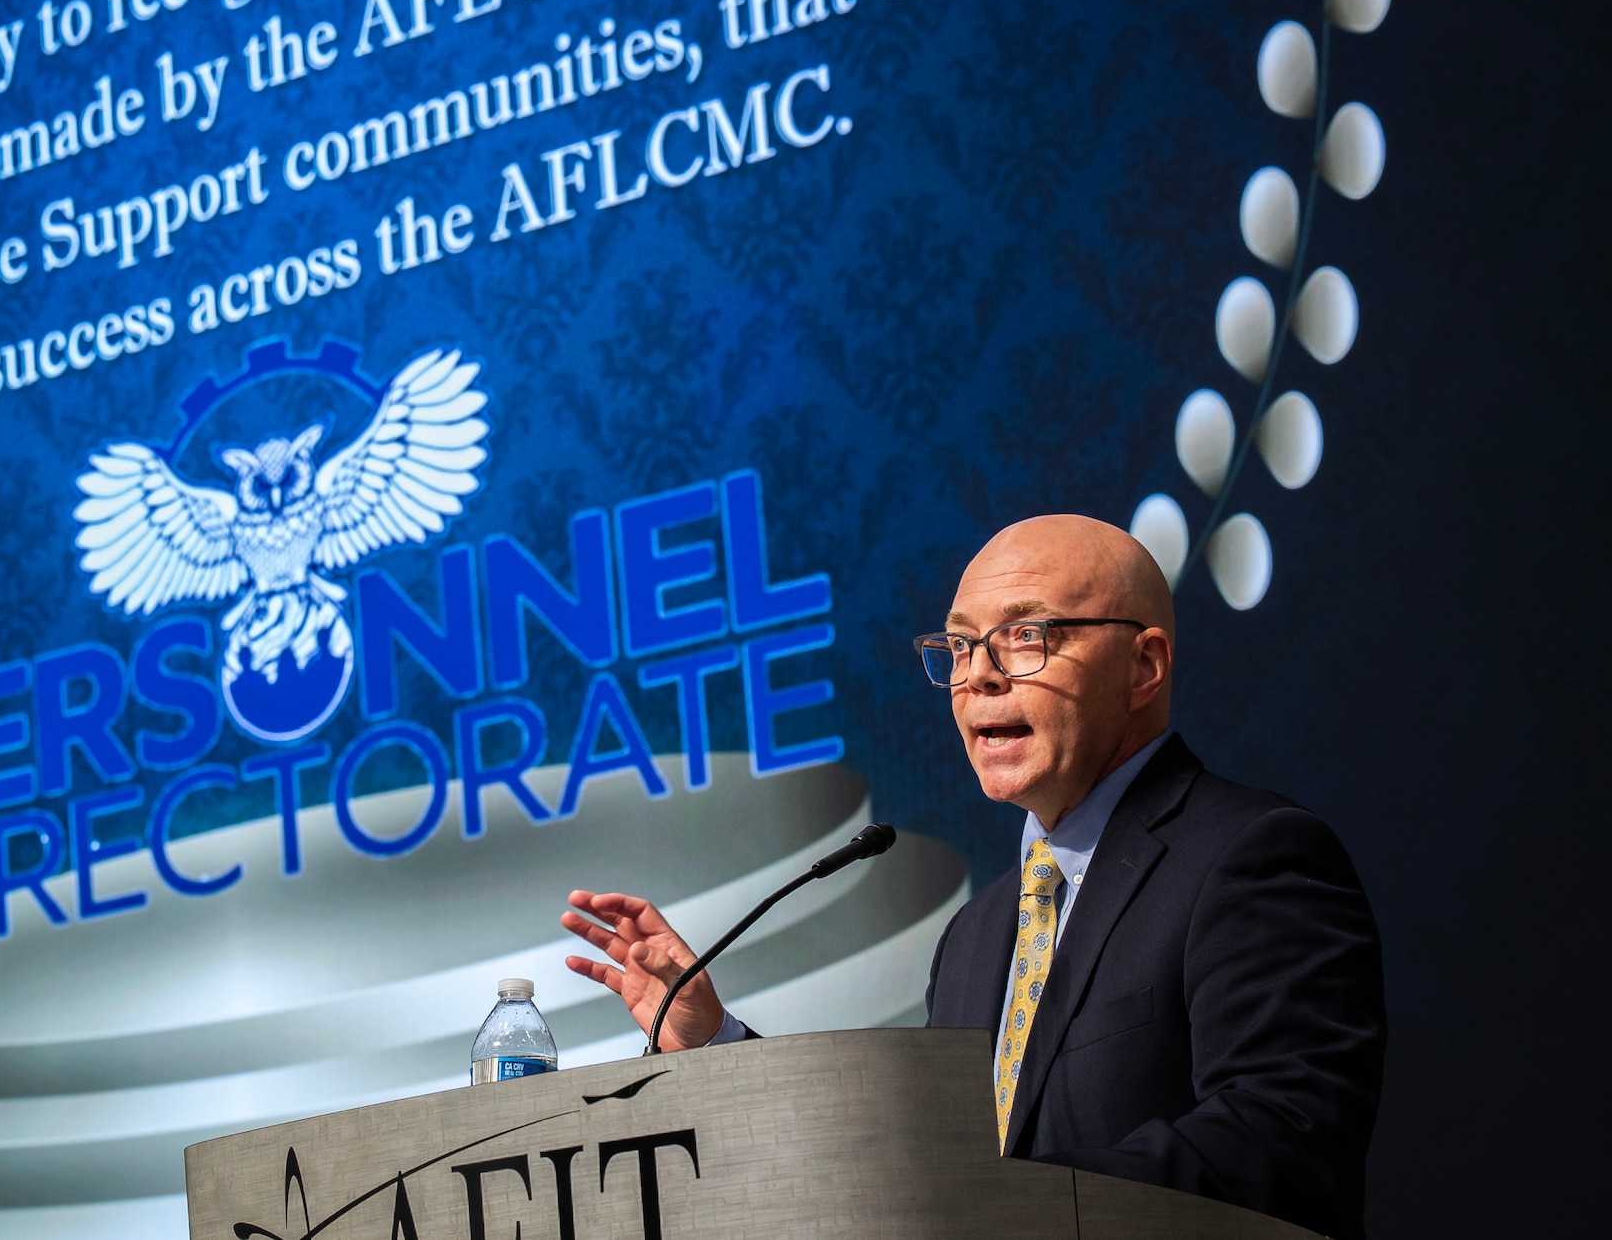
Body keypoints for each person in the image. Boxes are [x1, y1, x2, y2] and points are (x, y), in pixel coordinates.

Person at [562, 514, 1386, 1238]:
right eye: (960, 645)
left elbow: (1285, 1140)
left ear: (1144, 667)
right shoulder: (979, 932)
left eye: (1026, 635)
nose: (979, 674)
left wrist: (999, 1203)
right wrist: (717, 1042)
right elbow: (921, 1159)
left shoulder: (1251, 856)